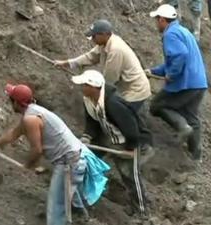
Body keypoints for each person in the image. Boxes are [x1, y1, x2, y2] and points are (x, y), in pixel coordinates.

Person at [0, 83, 110, 225]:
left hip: (69, 162)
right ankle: (84, 218)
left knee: (56, 206)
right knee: (70, 193)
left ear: (16, 102)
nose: (9, 102)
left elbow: (37, 150)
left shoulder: (31, 119)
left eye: (10, 99)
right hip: (77, 157)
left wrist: (28, 165)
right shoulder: (34, 112)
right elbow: (13, 134)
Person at [54, 19, 153, 156]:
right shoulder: (104, 43)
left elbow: (109, 80)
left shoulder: (116, 50)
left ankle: (140, 146)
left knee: (123, 116)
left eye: (94, 36)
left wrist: (93, 87)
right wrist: (68, 63)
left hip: (135, 89)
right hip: (126, 87)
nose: (92, 39)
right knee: (115, 111)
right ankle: (102, 139)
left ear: (104, 34)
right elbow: (90, 57)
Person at [72, 70, 149, 216]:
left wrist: (131, 148)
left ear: (94, 87)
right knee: (88, 159)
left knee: (130, 176)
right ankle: (87, 194)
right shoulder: (88, 100)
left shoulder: (113, 103)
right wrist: (87, 136)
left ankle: (141, 211)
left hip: (128, 140)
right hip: (110, 137)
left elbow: (132, 128)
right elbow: (92, 121)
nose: (81, 87)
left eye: (84, 85)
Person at [147, 4, 207, 162]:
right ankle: (196, 155)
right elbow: (174, 60)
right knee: (192, 116)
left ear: (162, 20)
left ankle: (182, 127)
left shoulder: (170, 34)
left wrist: (172, 75)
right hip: (198, 82)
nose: (156, 24)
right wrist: (153, 72)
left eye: (157, 20)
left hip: (186, 83)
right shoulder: (183, 31)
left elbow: (180, 55)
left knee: (157, 105)